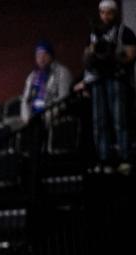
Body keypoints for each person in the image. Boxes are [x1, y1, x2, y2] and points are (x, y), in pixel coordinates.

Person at [80, 0, 136, 169]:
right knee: (99, 122)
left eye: (109, 12)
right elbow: (86, 58)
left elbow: (131, 55)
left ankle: (125, 158)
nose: (105, 16)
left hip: (117, 79)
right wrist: (93, 52)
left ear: (115, 13)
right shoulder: (93, 33)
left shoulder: (124, 32)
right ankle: (104, 159)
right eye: (102, 12)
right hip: (98, 80)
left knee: (119, 120)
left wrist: (114, 54)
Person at [21, 41, 73, 123]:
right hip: (33, 119)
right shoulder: (32, 76)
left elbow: (63, 101)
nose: (41, 59)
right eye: (38, 56)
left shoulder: (62, 72)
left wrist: (45, 117)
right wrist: (27, 119)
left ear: (51, 56)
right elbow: (25, 100)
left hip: (53, 118)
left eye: (44, 55)